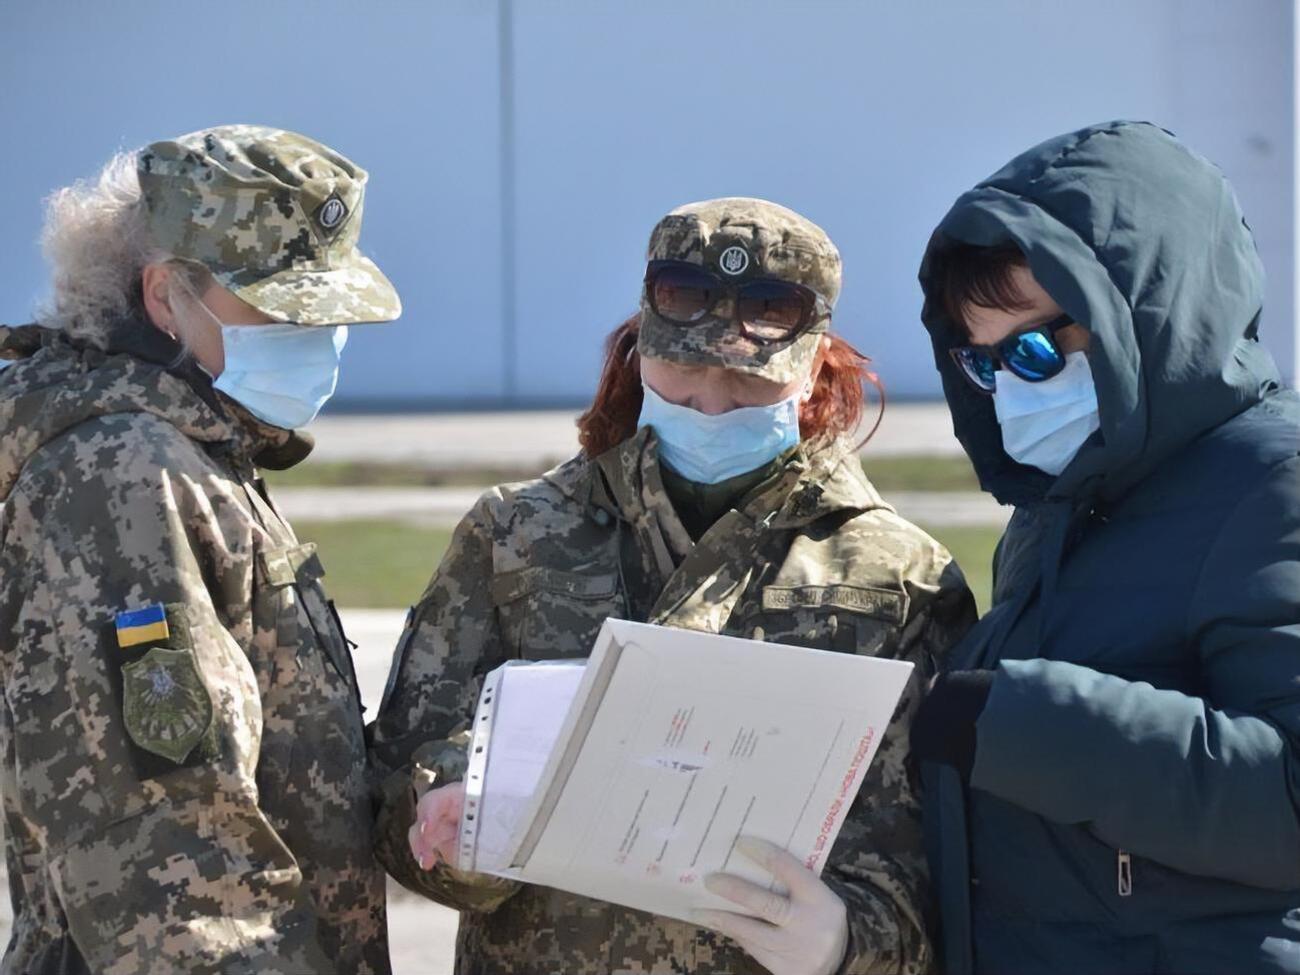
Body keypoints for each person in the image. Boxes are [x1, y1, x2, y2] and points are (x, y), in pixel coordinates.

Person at [369, 197, 976, 975]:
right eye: (684, 368)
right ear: (637, 350)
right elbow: (393, 790)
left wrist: (847, 942)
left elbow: (953, 877)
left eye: (750, 380)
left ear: (816, 368)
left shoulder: (899, 577)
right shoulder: (514, 536)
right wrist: (455, 828)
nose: (713, 403)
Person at [0, 125, 401, 973]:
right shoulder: (123, 476)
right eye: (279, 306)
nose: (314, 331)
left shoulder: (192, 447)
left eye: (325, 308)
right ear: (163, 296)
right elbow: (172, 864)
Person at [911, 120, 1300, 974]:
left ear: (1141, 318)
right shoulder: (1062, 498)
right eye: (983, 362)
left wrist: (1023, 722)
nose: (1010, 386)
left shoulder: (1273, 484)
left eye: (1036, 349)